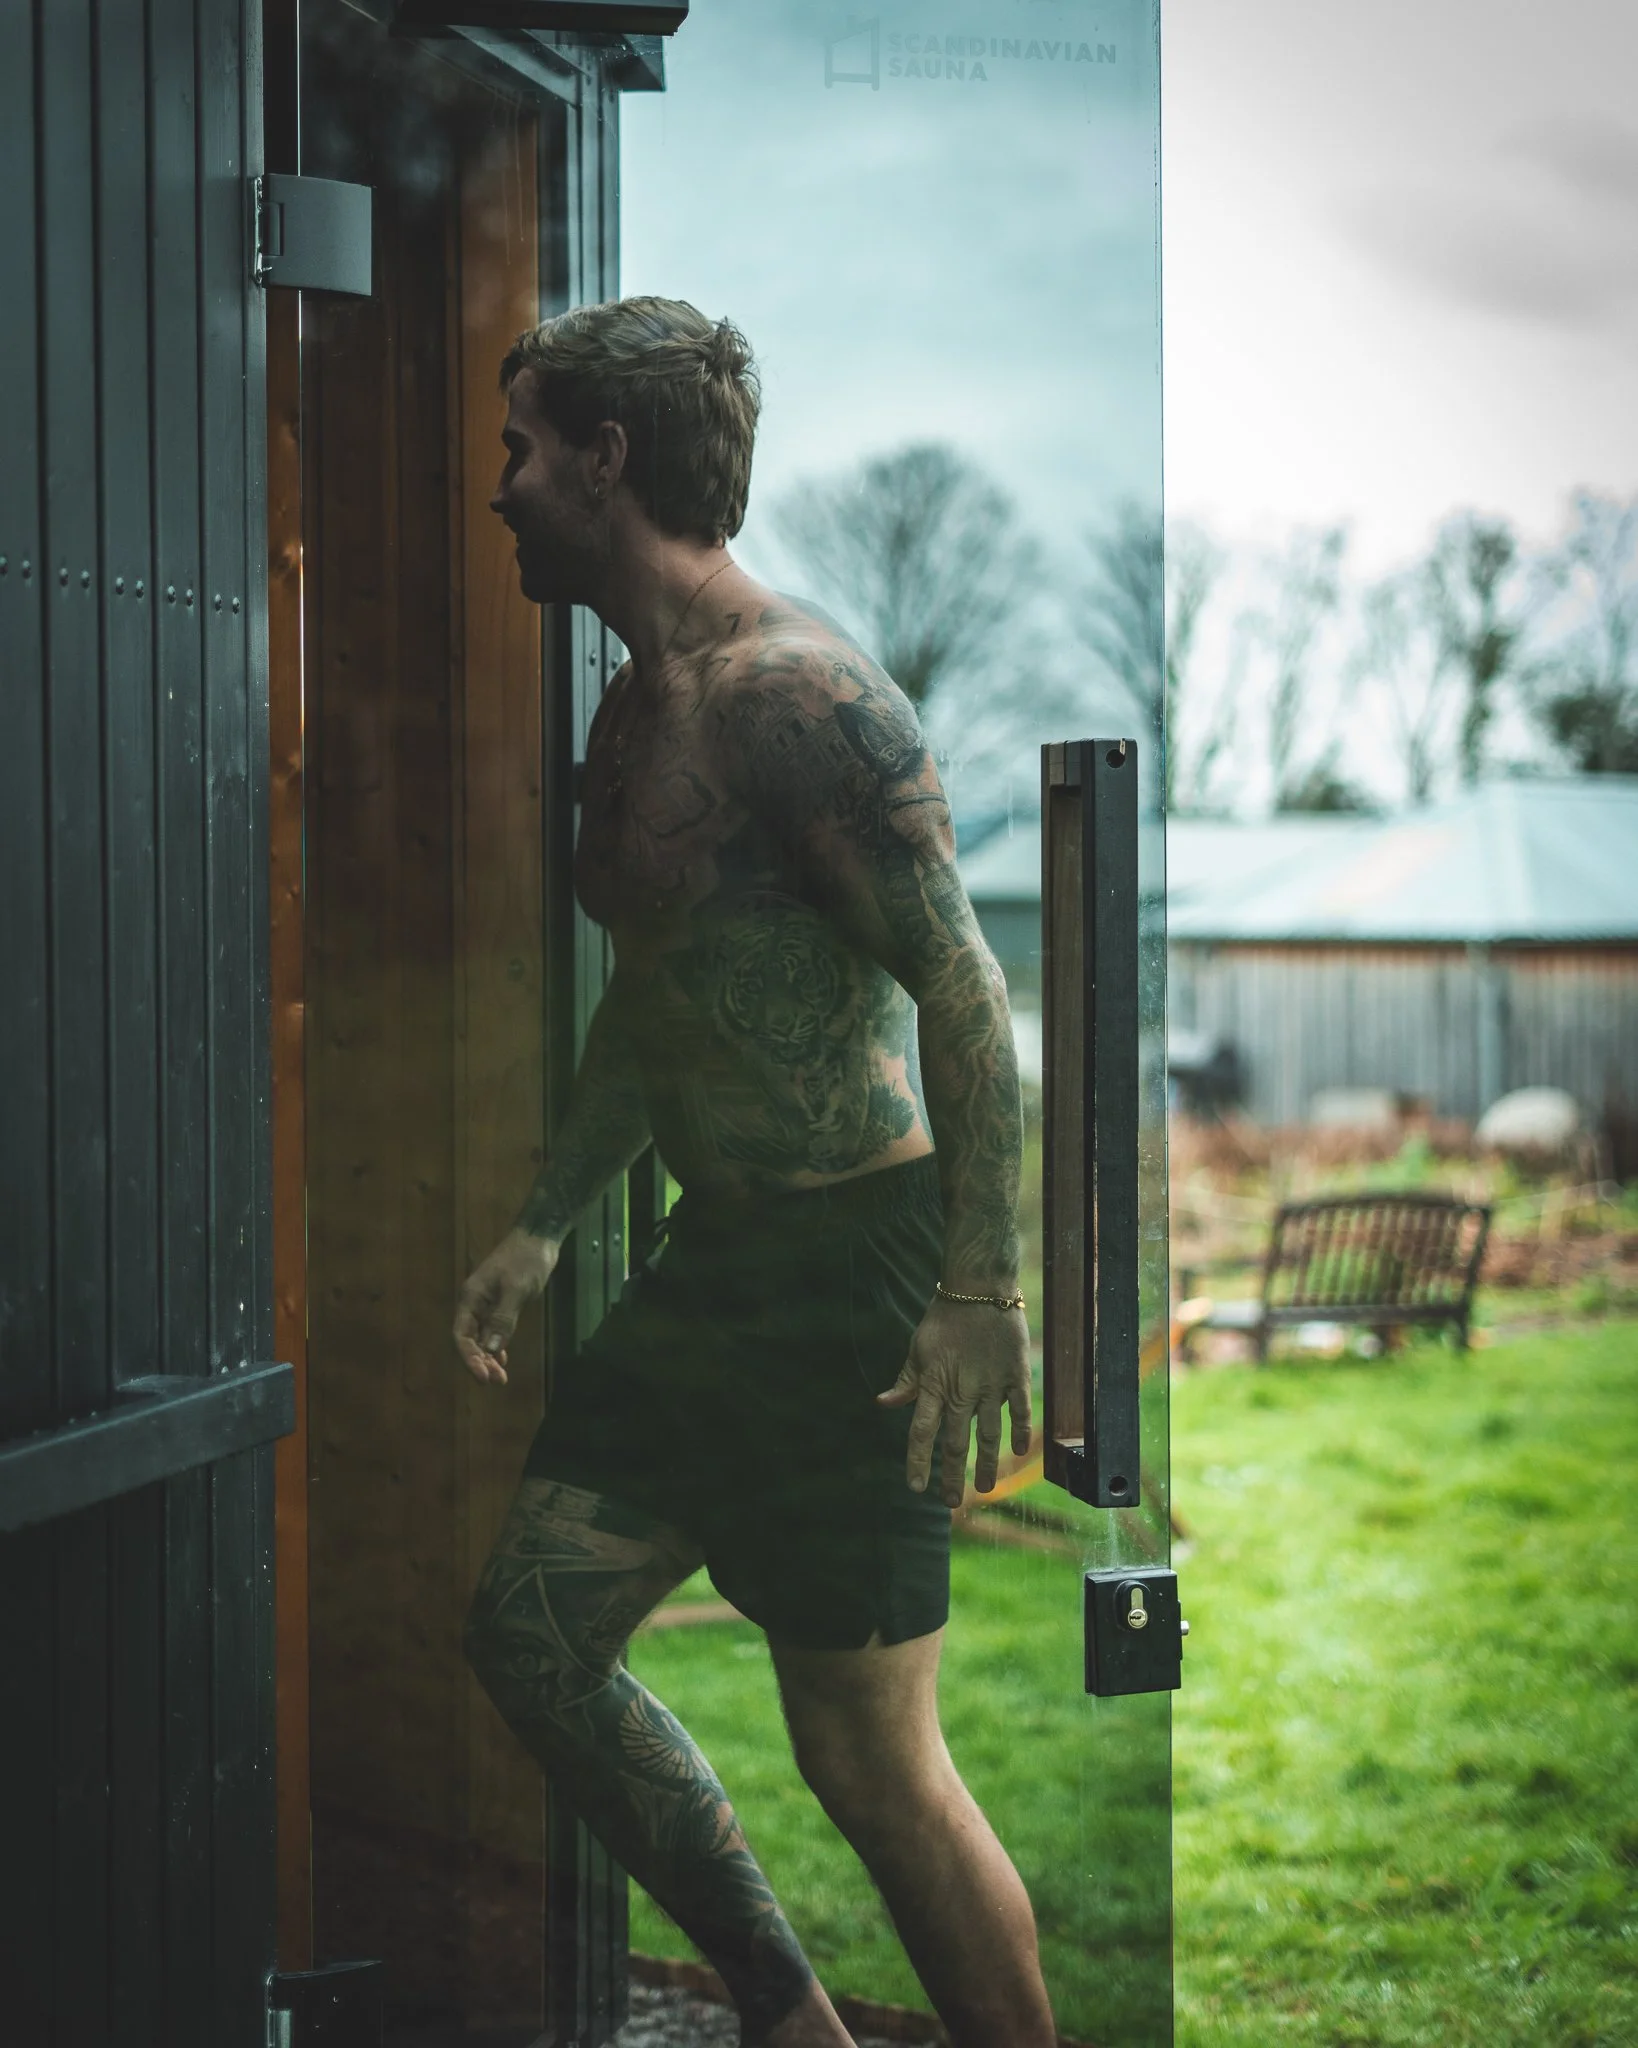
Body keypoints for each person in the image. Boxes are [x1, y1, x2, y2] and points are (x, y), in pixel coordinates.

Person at [454, 295, 1053, 2048]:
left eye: (517, 450)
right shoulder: (640, 710)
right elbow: (661, 995)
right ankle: (791, 2018)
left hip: (862, 1273)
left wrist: (978, 1286)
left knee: (869, 1765)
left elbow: (965, 985)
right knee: (531, 1638)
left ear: (602, 456)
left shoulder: (798, 699)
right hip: (714, 1267)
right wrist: (543, 1223)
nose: (499, 491)